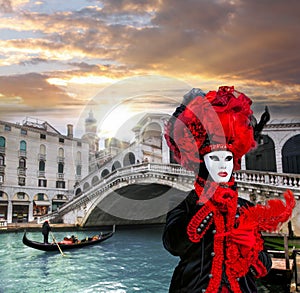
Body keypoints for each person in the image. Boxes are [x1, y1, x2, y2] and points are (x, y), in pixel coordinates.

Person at [163, 86, 295, 293]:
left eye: (228, 158)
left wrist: (250, 248)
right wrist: (208, 206)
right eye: (214, 158)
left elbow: (264, 267)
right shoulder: (183, 203)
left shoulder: (244, 209)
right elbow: (174, 245)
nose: (223, 165)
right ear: (201, 163)